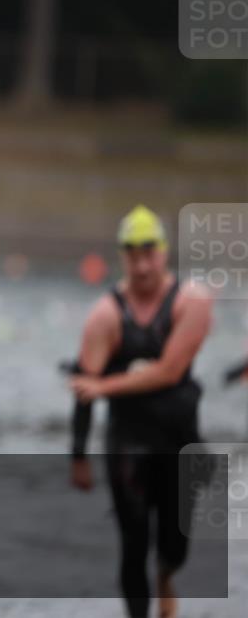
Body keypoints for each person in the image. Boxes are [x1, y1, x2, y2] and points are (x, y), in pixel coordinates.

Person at [68, 205, 213, 618]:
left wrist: (105, 386)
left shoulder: (192, 302)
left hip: (180, 441)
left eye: (150, 253)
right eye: (133, 255)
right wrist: (77, 455)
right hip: (129, 442)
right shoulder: (106, 315)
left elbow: (169, 371)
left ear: (164, 253)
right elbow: (82, 386)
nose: (143, 265)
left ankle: (166, 576)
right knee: (133, 543)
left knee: (175, 544)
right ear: (122, 257)